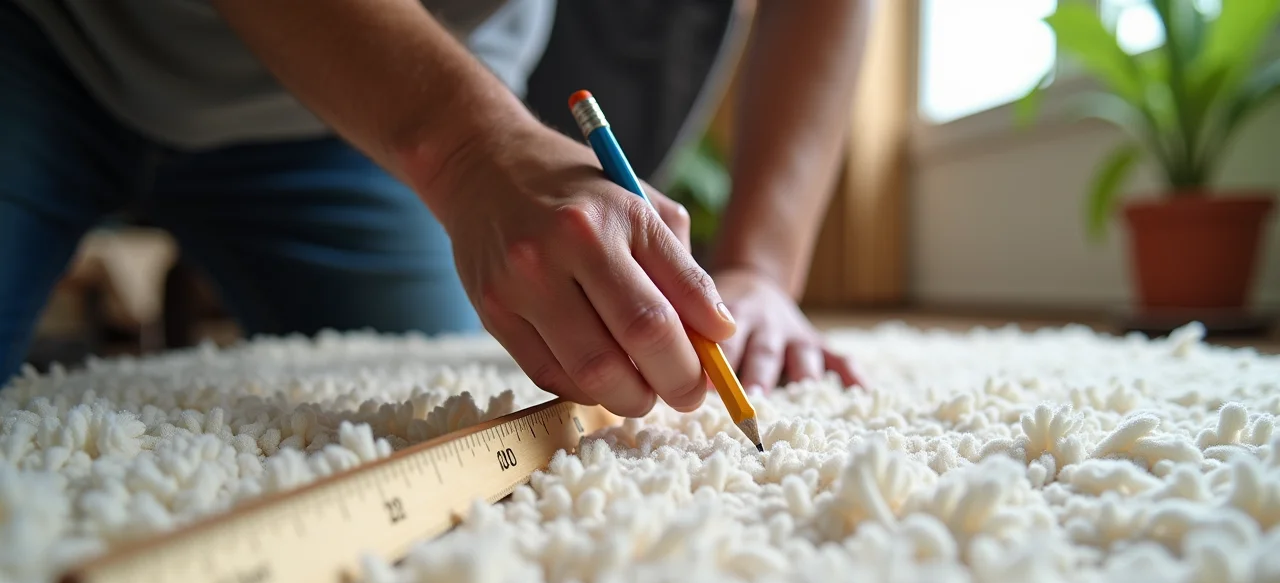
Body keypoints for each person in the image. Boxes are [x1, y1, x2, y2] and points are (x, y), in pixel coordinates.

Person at [1, 0, 870, 418]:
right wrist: (468, 147)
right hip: (52, 37)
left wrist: (758, 266)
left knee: (464, 393)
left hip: (365, 114)